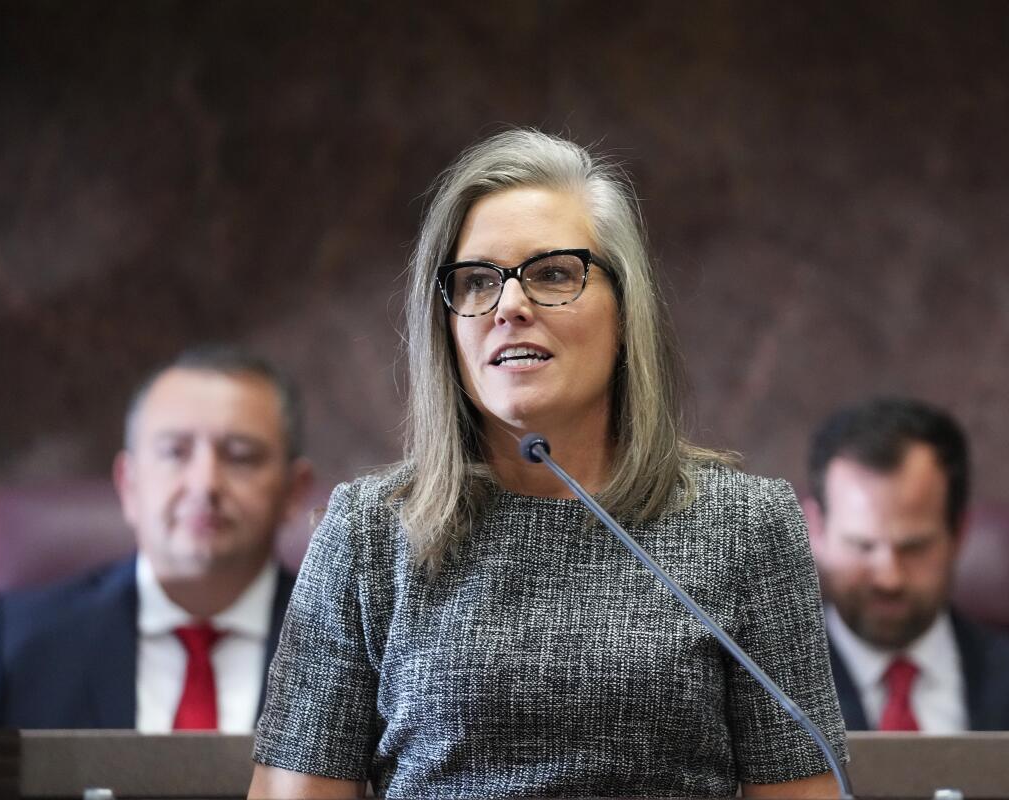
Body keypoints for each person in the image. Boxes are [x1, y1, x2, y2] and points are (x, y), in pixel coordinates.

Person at [249, 129, 846, 800]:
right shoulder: (368, 531)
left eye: (554, 273)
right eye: (476, 282)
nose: (509, 306)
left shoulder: (747, 527)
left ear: (628, 309)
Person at [0, 345, 314, 732]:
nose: (204, 484)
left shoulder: (345, 647)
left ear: (294, 490)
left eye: (240, 456)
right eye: (174, 452)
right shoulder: (22, 639)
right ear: (128, 484)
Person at [804, 396, 1009, 732]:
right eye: (862, 545)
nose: (889, 578)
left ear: (959, 532)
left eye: (914, 547)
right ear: (815, 530)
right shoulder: (753, 699)